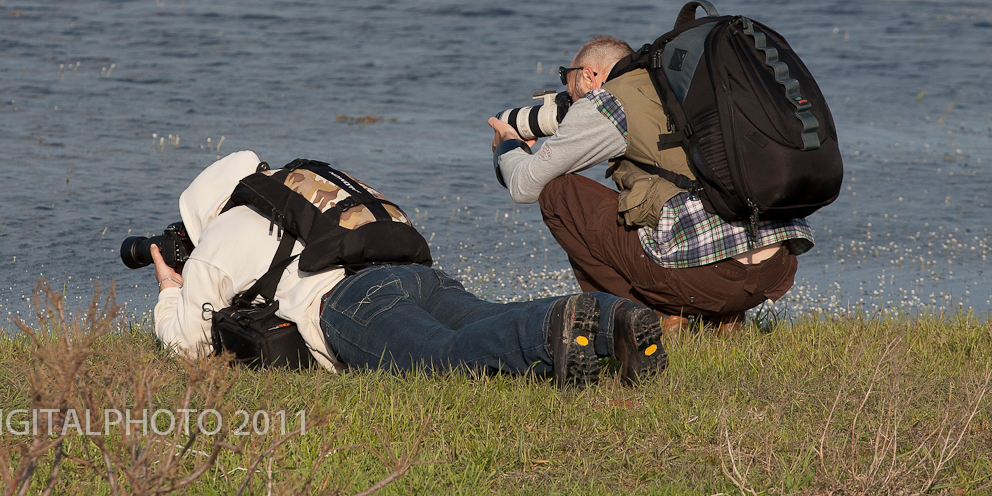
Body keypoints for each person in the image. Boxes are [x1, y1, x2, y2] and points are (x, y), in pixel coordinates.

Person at [150, 150, 668, 388]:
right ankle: (612, 316)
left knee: (440, 357)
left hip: (352, 300)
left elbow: (188, 347)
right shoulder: (305, 184)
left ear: (206, 211)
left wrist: (171, 287)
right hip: (418, 275)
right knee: (485, 316)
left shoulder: (222, 231)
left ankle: (552, 332)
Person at [488, 36, 814, 332]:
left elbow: (525, 185)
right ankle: (724, 317)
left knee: (556, 192)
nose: (569, 97)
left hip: (711, 279)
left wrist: (509, 145)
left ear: (589, 76)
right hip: (776, 268)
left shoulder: (609, 101)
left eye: (568, 81)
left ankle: (653, 316)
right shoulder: (683, 84)